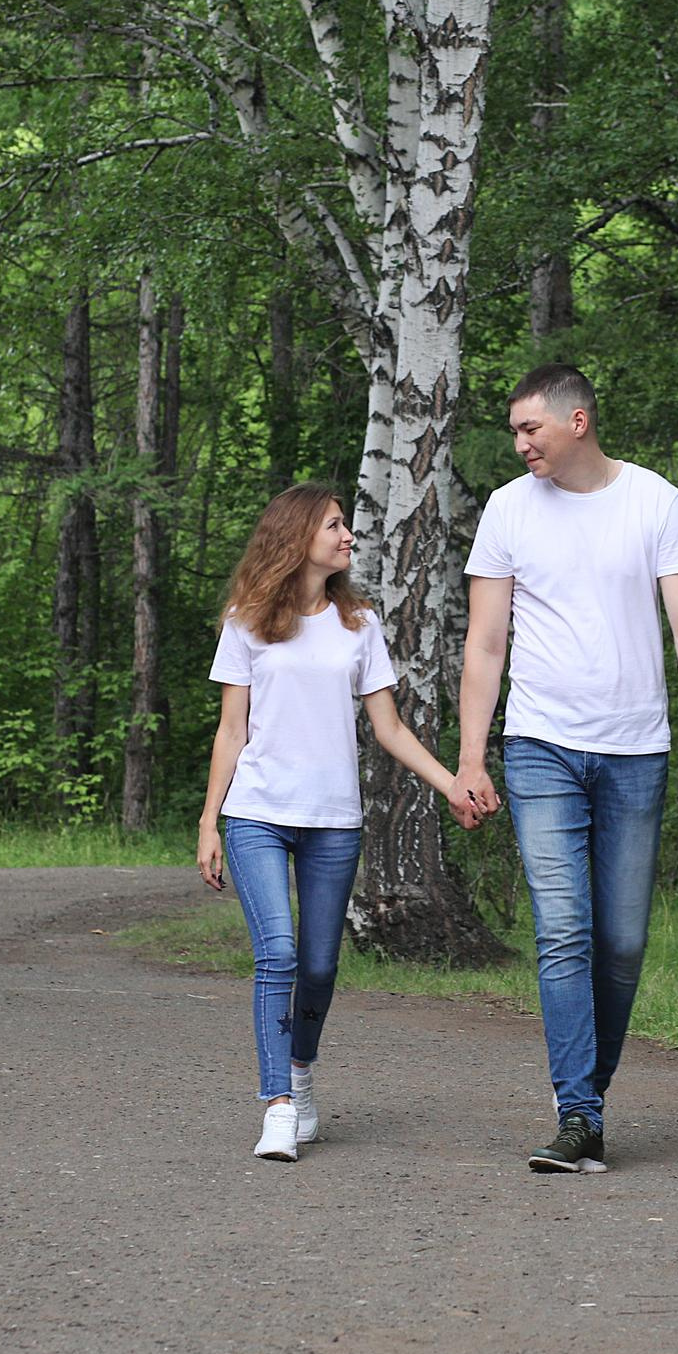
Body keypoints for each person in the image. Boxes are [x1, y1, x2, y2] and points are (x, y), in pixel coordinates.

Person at [453, 363, 678, 1174]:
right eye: (513, 432)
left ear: (577, 421)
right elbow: (486, 642)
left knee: (622, 941)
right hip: (539, 745)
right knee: (564, 929)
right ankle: (578, 1112)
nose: (519, 443)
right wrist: (472, 754)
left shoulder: (653, 500)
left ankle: (589, 1100)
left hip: (635, 749)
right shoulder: (507, 509)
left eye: (529, 428)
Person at [198, 483, 470, 1163]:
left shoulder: (361, 625)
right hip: (256, 813)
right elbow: (231, 731)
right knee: (278, 955)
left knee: (319, 964)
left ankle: (301, 1071)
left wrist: (454, 784)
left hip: (332, 821)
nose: (348, 536)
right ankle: (278, 1105)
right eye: (335, 525)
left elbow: (390, 728)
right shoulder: (246, 620)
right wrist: (209, 822)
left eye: (346, 526)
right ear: (297, 536)